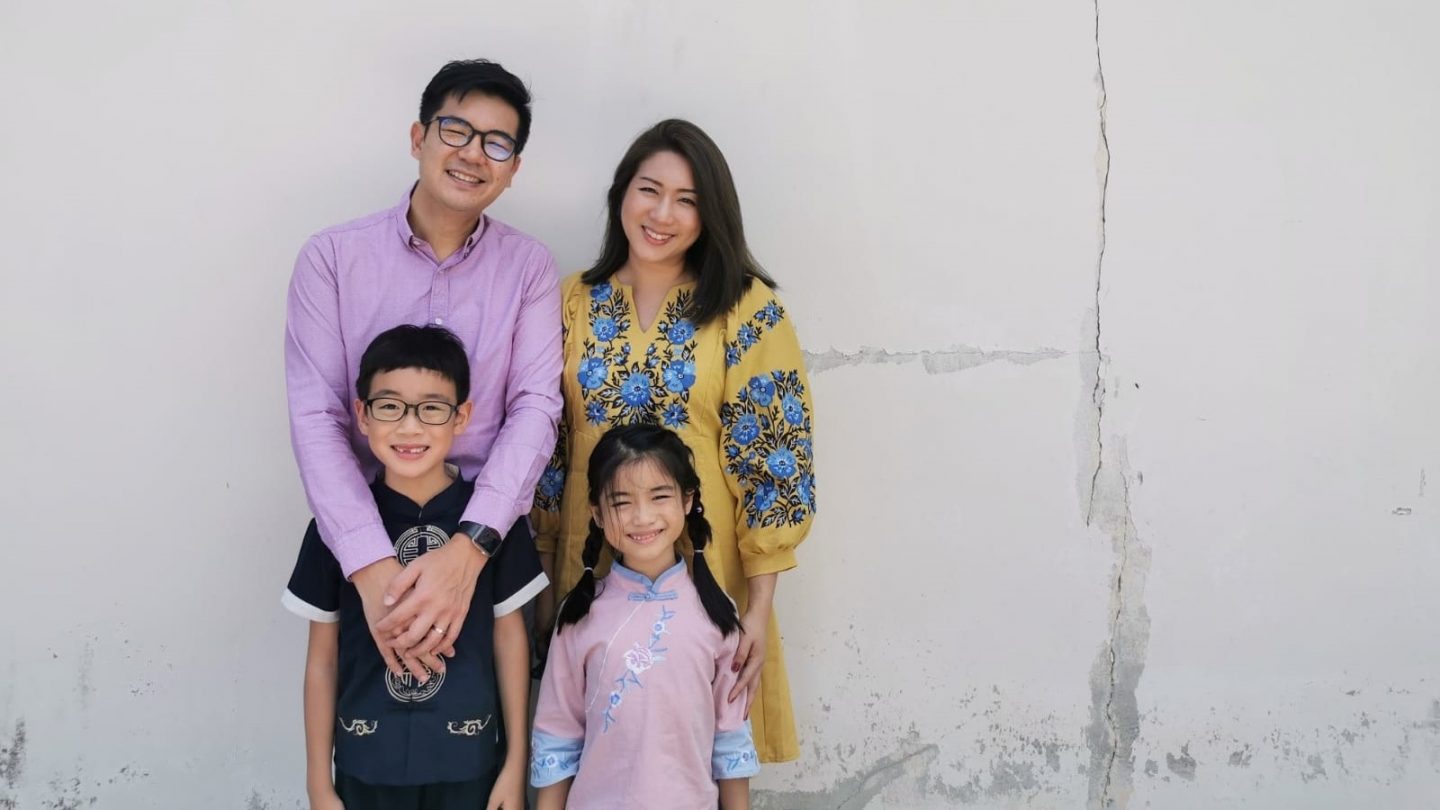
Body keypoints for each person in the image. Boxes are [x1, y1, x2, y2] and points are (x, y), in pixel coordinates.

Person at [532, 119, 815, 763]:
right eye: (648, 190)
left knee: (696, 758)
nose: (662, 214)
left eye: (686, 200)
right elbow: (548, 445)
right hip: (589, 566)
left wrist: (760, 607)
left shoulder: (747, 307)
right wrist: (547, 579)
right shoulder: (572, 301)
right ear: (620, 196)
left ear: (711, 213)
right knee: (588, 758)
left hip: (706, 575)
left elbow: (776, 458)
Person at [285, 59, 562, 681]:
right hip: (362, 538)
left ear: (513, 168)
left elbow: (536, 407)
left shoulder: (529, 269)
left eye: (497, 143)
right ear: (419, 138)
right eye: (456, 130)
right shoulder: (331, 259)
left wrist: (468, 551)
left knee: (479, 731)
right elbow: (317, 413)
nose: (472, 154)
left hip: (486, 540)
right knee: (370, 728)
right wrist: (370, 566)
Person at [283, 324, 547, 809]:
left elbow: (511, 642)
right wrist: (319, 785)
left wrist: (514, 764)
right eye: (389, 406)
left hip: (472, 767)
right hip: (366, 765)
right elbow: (321, 660)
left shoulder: (491, 525)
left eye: (432, 408)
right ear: (361, 415)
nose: (410, 428)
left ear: (462, 416)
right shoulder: (337, 525)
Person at [531, 424, 760, 809]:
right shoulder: (579, 616)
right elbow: (557, 736)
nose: (642, 517)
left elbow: (731, 737)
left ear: (687, 501)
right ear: (597, 513)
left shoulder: (717, 615)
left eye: (659, 496)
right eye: (621, 502)